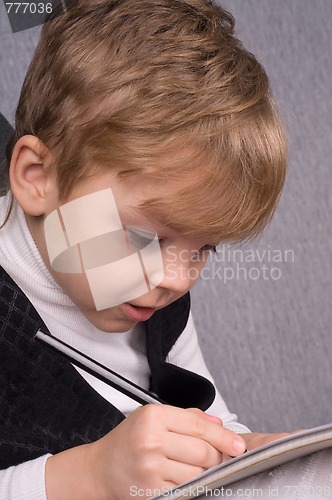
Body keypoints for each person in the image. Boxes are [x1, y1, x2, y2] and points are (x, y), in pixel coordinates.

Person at [0, 0, 289, 498]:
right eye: (148, 237)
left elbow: (213, 426)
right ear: (37, 178)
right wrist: (90, 476)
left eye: (205, 250)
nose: (178, 278)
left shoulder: (149, 287)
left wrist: (262, 457)